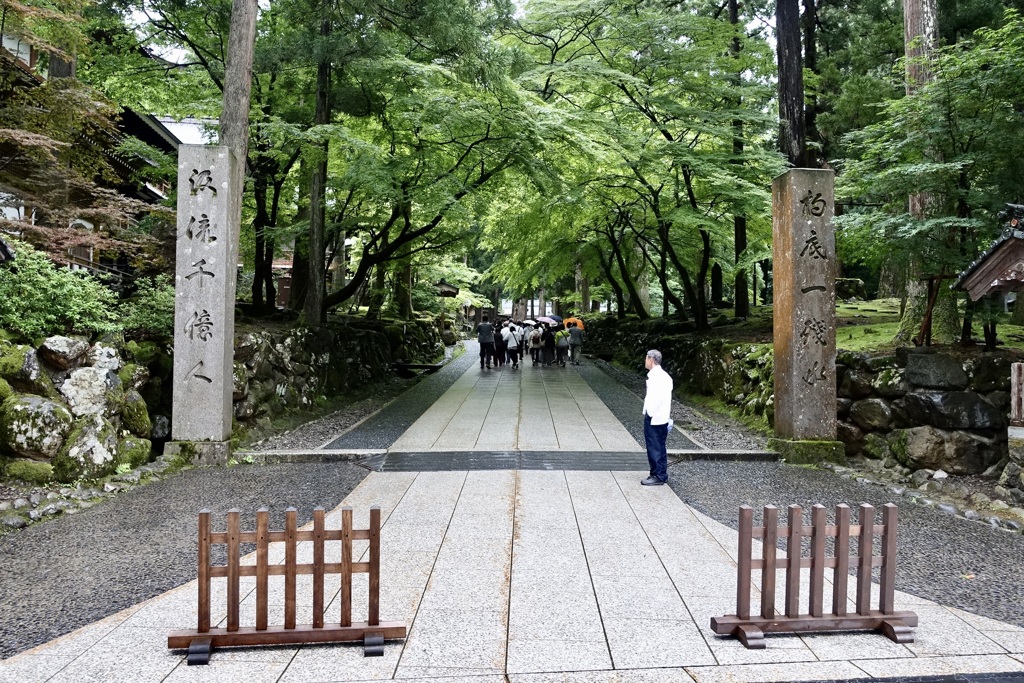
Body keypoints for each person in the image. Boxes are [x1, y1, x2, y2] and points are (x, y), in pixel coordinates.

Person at [641, 349, 673, 486]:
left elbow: (656, 398)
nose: (645, 361)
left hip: (656, 417)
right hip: (659, 416)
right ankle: (659, 473)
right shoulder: (661, 376)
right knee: (658, 445)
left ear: (651, 360)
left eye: (646, 358)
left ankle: (658, 475)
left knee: (655, 445)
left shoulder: (658, 377)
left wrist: (651, 413)